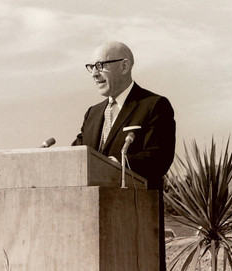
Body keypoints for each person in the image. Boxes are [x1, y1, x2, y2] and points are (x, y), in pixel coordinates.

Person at [72, 41, 175, 271]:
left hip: (135, 227)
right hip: (89, 230)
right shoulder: (93, 113)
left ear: (124, 65)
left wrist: (114, 166)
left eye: (100, 65)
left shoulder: (154, 106)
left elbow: (159, 158)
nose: (95, 73)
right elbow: (77, 158)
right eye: (91, 67)